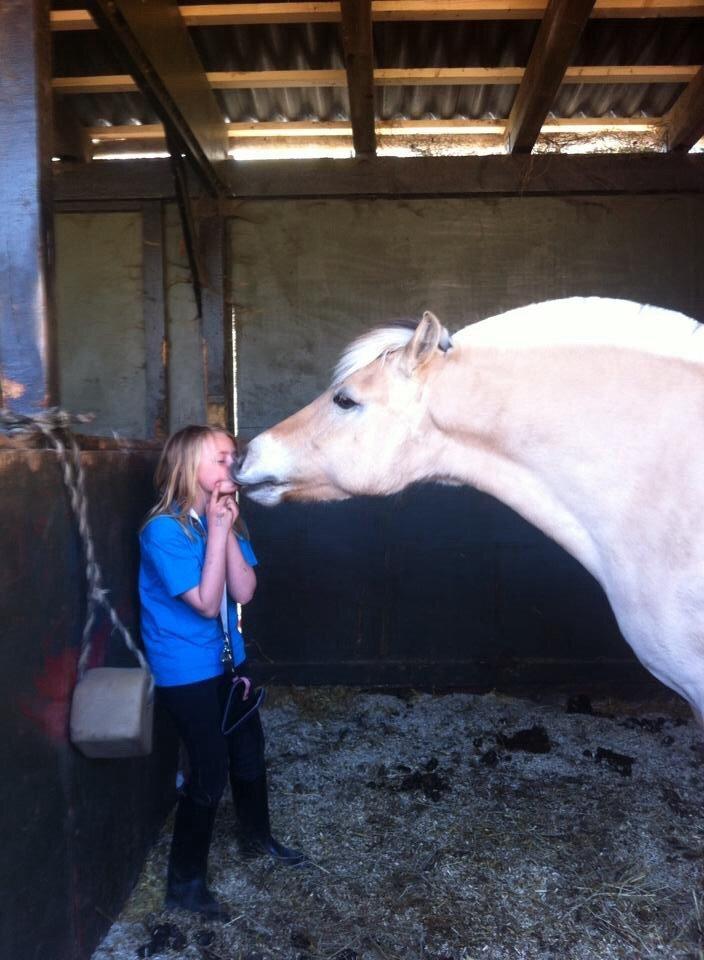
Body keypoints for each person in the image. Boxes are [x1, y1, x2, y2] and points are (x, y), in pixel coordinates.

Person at [139, 424, 305, 920]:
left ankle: (258, 840)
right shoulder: (162, 530)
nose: (231, 467)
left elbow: (245, 590)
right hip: (185, 671)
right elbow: (208, 604)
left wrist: (226, 528)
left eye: (233, 458)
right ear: (189, 470)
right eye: (220, 459)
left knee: (249, 754)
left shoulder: (225, 519)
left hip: (229, 661)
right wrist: (215, 529)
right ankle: (185, 886)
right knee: (209, 771)